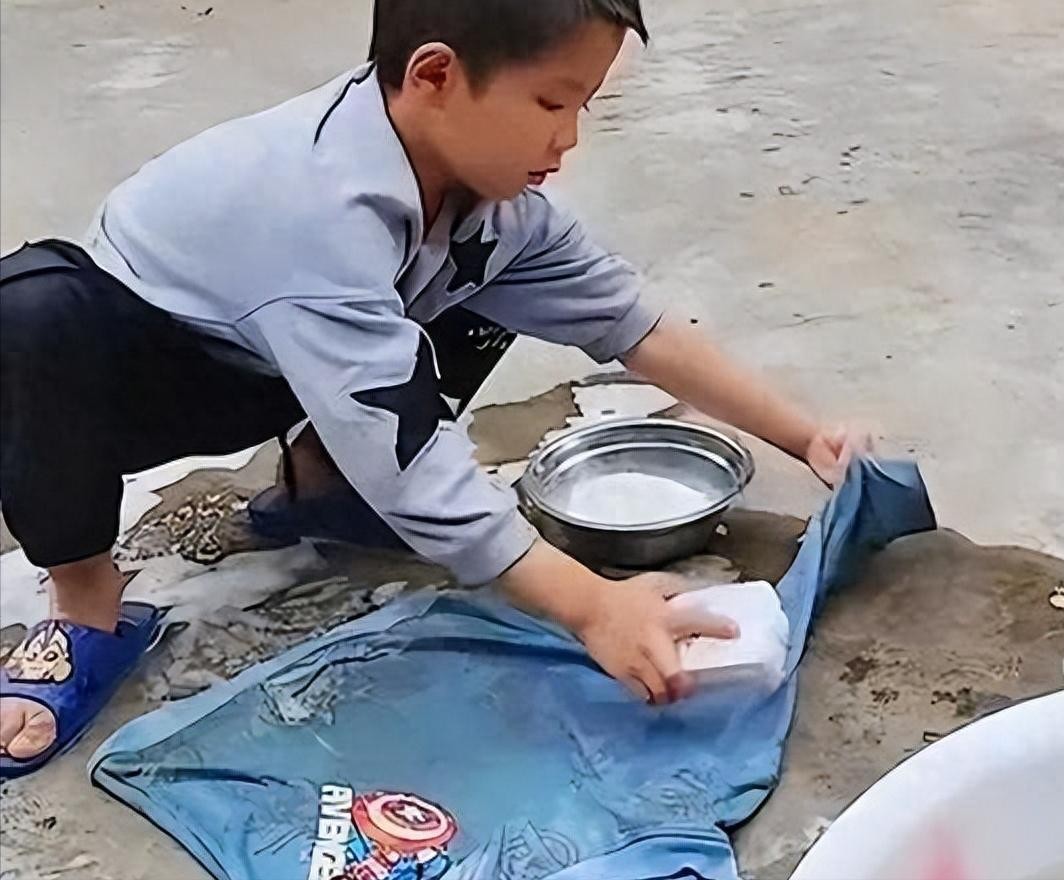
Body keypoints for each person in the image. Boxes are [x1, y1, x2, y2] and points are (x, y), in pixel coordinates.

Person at [0, 0, 849, 777]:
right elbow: (405, 454)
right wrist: (594, 607)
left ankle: (327, 490)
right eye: (552, 103)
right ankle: (85, 601)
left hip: (297, 360)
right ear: (436, 75)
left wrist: (805, 436)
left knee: (478, 279)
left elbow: (633, 322)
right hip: (151, 366)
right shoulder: (317, 211)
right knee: (29, 315)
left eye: (583, 107)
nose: (569, 139)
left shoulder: (487, 196)